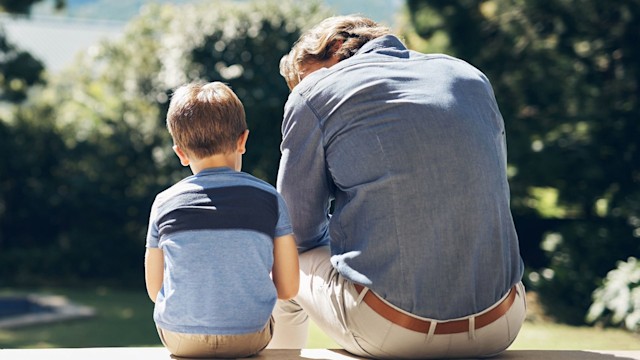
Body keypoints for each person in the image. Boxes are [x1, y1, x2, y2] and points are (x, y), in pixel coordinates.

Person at [269, 15, 526, 359]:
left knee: (284, 260)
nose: (306, 87)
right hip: (501, 323)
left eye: (306, 78)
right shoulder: (470, 77)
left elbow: (296, 231)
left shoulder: (313, 95)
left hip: (393, 331)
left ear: (334, 47)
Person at [144, 81, 299, 359]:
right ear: (243, 140)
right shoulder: (270, 198)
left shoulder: (164, 202)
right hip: (250, 337)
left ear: (180, 152)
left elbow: (155, 290)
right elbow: (288, 289)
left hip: (180, 339)